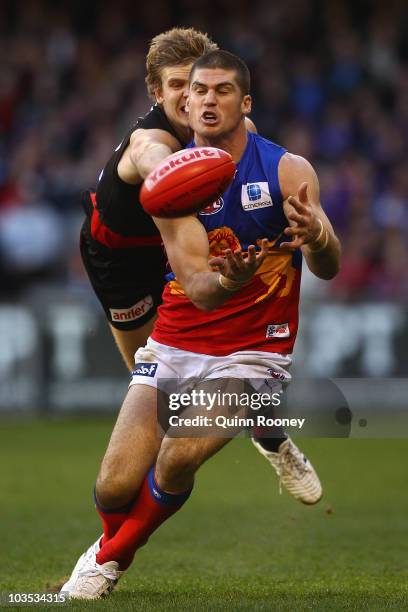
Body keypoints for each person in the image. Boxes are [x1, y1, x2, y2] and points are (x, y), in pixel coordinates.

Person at [61, 50, 340, 600]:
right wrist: (232, 281)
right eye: (199, 91)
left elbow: (329, 266)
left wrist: (318, 237)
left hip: (254, 353)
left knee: (179, 454)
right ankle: (269, 433)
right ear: (183, 103)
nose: (209, 100)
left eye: (223, 90)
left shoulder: (287, 170)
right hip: (178, 341)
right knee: (113, 486)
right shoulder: (170, 183)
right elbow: (198, 288)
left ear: (246, 103)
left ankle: (108, 559)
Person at [80, 26, 321, 502]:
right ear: (157, 92)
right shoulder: (151, 140)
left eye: (192, 85)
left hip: (184, 250)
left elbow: (253, 158)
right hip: (123, 264)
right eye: (174, 86)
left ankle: (266, 431)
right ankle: (256, 430)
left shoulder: (223, 127)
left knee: (211, 392)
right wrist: (179, 171)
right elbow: (155, 161)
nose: (189, 99)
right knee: (158, 405)